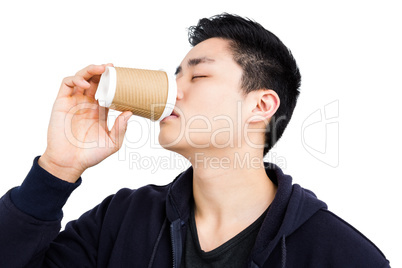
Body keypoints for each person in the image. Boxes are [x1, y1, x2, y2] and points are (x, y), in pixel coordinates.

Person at [0, 13, 390, 268]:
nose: (172, 91)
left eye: (198, 76)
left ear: (261, 105)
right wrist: (57, 168)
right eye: (174, 76)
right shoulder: (120, 221)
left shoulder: (342, 255)